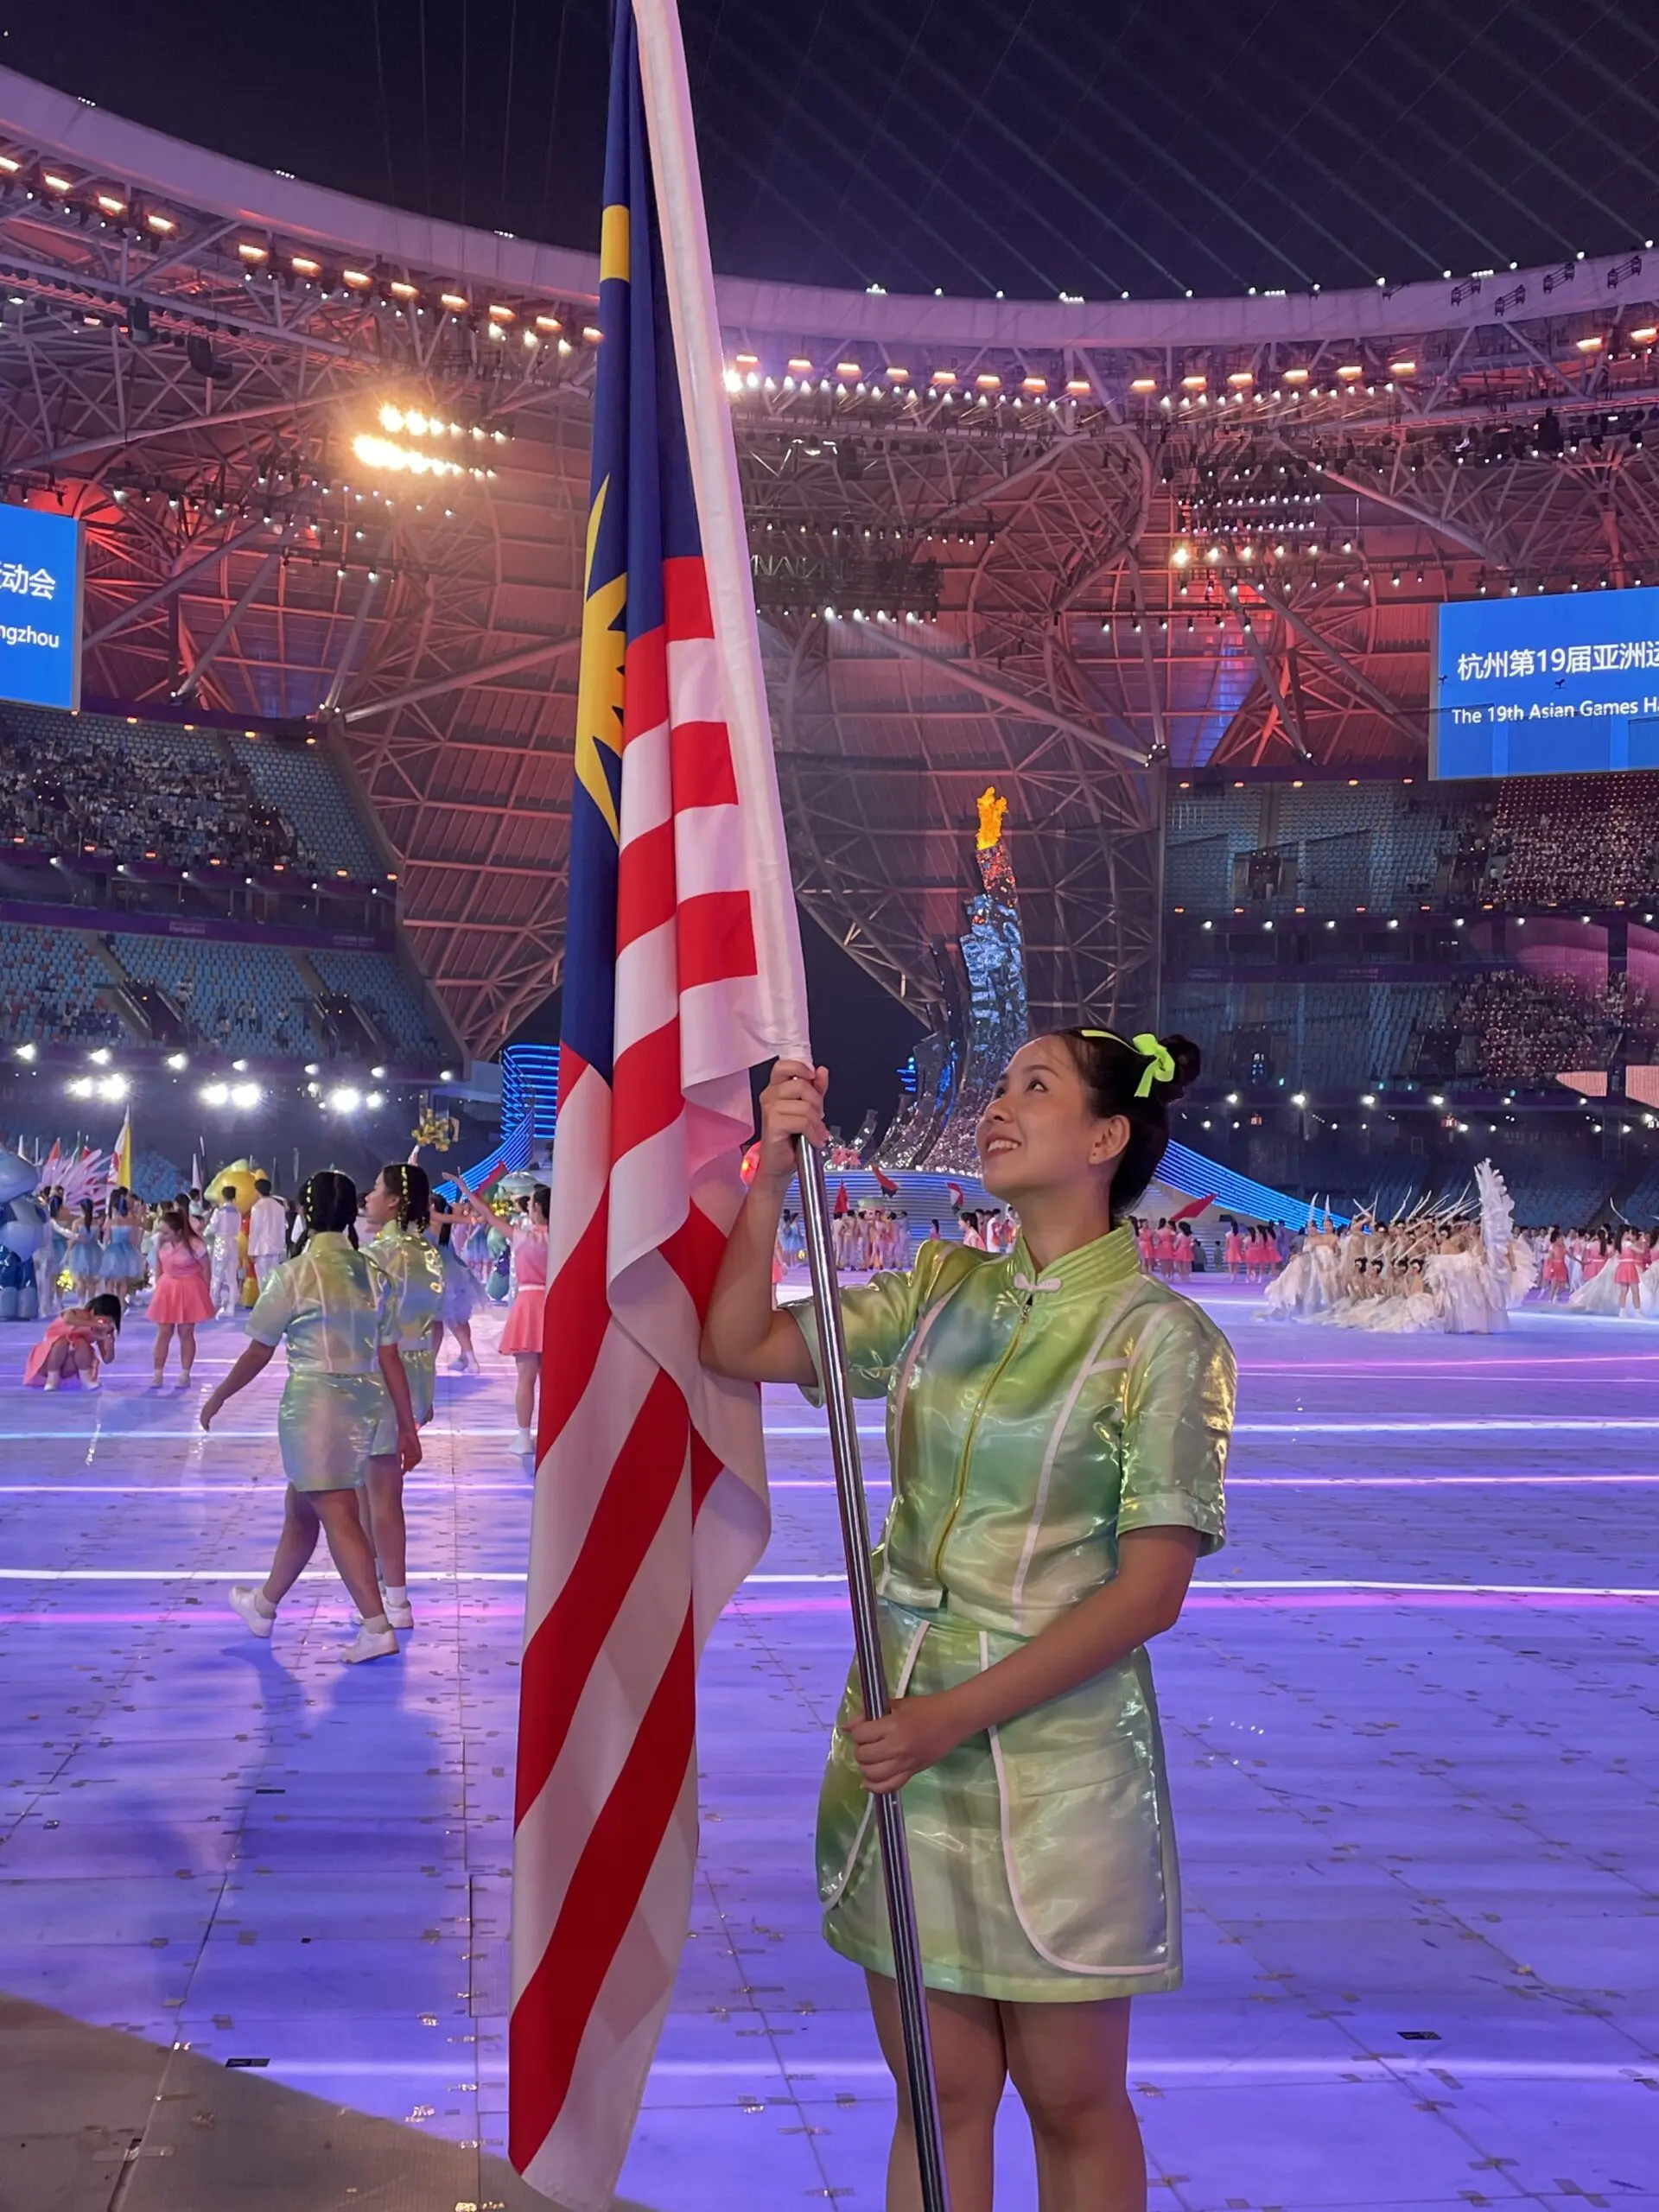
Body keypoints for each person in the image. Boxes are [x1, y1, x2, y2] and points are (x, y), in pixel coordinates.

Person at [702, 1028, 1233, 2212]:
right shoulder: (941, 1291)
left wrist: (954, 1717)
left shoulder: (1163, 1339)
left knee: (1072, 2102)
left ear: (1105, 1139)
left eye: (1032, 1090)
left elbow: (1150, 1592)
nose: (997, 1109)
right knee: (937, 2101)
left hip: (1056, 1766)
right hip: (902, 1744)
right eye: (997, 1089)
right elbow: (739, 1341)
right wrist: (772, 1176)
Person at [200, 1170, 422, 1664]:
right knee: (302, 1511)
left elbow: (259, 1351)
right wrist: (406, 1425)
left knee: (339, 1514)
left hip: (316, 1404)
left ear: (305, 1212)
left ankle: (376, 1625)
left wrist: (219, 1396)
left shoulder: (295, 1274)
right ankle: (263, 1605)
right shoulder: (373, 1274)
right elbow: (390, 1356)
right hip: (366, 1401)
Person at [359, 1162, 445, 1631]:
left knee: (381, 1492)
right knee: (377, 1488)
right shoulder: (428, 1254)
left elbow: (371, 1324)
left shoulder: (381, 1254)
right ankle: (379, 1588)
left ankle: (394, 1597)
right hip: (412, 1374)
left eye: (375, 1189)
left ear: (393, 1201)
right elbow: (428, 1330)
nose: (369, 1198)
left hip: (379, 1373)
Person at [459, 1178, 548, 1453]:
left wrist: (465, 1189)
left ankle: (523, 1436)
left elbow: (487, 1214)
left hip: (529, 1304)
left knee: (526, 1378)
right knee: (551, 1381)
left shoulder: (525, 1237)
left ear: (537, 1210)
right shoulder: (564, 1236)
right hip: (554, 1305)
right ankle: (548, 1433)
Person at [149, 1204, 215, 1385]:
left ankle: (185, 1373)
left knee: (185, 1332)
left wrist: (205, 1294)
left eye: (166, 1232)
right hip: (167, 1287)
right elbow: (158, 1265)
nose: (162, 1235)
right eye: (161, 1231)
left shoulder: (196, 1244)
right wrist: (158, 1286)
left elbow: (206, 1269)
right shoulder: (159, 1242)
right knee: (164, 1331)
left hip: (189, 1288)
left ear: (178, 1232)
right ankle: (157, 1373)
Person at [429, 1194, 484, 1372]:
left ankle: (469, 1358)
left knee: (446, 1320)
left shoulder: (433, 1220)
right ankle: (467, 1358)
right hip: (451, 1269)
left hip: (437, 1271)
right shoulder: (444, 1222)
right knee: (452, 1320)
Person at [25, 1292, 122, 1390]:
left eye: (109, 1321)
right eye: (102, 1321)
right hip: (49, 1357)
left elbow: (107, 1359)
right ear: (92, 1313)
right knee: (62, 1342)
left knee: (82, 1344)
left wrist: (109, 1348)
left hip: (69, 1364)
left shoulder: (104, 1330)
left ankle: (86, 1378)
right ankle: (52, 1378)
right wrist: (94, 1324)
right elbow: (68, 1319)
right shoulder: (78, 1314)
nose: (105, 1324)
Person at [100, 1186, 145, 1304]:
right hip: (127, 1250)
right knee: (124, 1280)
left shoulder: (111, 1222)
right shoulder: (131, 1221)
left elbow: (106, 1238)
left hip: (113, 1251)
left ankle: (110, 1302)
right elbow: (134, 1239)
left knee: (110, 1279)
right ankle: (121, 1302)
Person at [247, 1176, 288, 1292]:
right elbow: (282, 1229)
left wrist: (251, 1250)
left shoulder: (257, 1208)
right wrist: (282, 1248)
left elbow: (254, 1231)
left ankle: (264, 1308)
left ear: (257, 1191)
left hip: (261, 1250)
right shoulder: (279, 1207)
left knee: (263, 1282)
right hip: (276, 1249)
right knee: (274, 1282)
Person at [209, 1183, 243, 1317]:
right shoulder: (238, 1213)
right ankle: (231, 1307)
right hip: (233, 1243)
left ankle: (212, 1305)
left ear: (223, 1196)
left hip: (220, 1243)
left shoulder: (219, 1212)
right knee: (232, 1278)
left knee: (217, 1277)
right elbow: (238, 1229)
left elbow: (212, 1228)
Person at [66, 1200, 101, 1303]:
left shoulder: (77, 1223)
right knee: (90, 1280)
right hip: (93, 1252)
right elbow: (96, 1238)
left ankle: (81, 1303)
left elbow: (73, 1239)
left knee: (80, 1279)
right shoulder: (96, 1223)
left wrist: (69, 1250)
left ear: (81, 1209)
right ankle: (90, 1302)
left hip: (79, 1252)